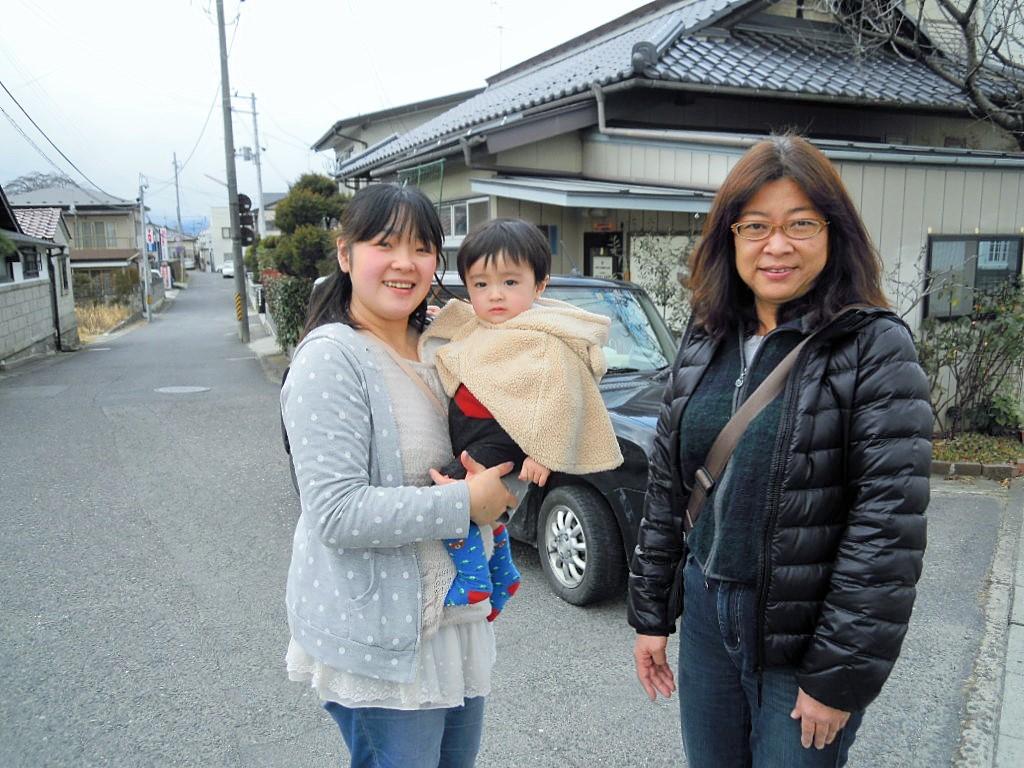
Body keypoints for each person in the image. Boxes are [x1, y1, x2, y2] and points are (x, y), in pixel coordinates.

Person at [627, 133, 933, 767]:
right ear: (731, 237)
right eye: (756, 226)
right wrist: (651, 615)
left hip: (803, 635)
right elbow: (666, 486)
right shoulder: (706, 336)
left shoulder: (873, 346)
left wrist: (837, 677)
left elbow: (885, 529)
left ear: (833, 233)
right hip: (708, 615)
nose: (777, 244)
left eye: (800, 223)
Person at [281, 183, 518, 768]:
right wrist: (464, 504)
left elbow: (494, 445)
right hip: (382, 634)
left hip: (452, 622)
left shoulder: (445, 345)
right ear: (346, 254)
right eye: (385, 244)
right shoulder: (331, 358)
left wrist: (506, 487)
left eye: (421, 247)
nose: (405, 263)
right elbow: (336, 514)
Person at [421, 218, 623, 620]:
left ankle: (473, 579)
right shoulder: (484, 324)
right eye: (481, 284)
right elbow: (463, 320)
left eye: (510, 282)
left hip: (500, 438)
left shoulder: (544, 337)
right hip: (475, 434)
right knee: (485, 506)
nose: (495, 294)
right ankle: (503, 570)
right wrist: (440, 317)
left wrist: (544, 454)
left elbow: (564, 398)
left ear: (539, 285)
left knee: (446, 494)